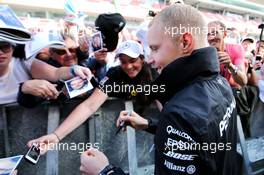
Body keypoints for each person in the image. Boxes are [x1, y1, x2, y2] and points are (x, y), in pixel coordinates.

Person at [80, 4, 241, 175]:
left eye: (155, 49)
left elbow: (191, 127)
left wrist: (105, 172)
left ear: (185, 42)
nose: (150, 60)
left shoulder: (181, 111)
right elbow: (199, 137)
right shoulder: (222, 84)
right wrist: (149, 124)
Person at [27, 40, 159, 152]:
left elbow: (164, 106)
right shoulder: (114, 74)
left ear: (142, 59)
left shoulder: (154, 74)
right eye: (123, 61)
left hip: (152, 135)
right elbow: (89, 106)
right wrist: (56, 136)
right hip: (123, 141)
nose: (128, 66)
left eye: (132, 60)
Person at [0, 38, 91, 105]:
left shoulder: (23, 63)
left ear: (13, 48)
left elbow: (56, 73)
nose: (0, 52)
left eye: (5, 46)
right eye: (61, 52)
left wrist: (73, 70)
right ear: (52, 54)